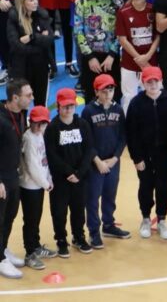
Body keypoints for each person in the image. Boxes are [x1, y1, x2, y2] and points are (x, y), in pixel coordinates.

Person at [125, 67, 167, 239]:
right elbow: (131, 133)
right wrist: (136, 158)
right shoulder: (136, 103)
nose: (153, 85)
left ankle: (162, 218)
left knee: (163, 185)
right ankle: (146, 218)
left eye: (156, 81)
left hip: (164, 152)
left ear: (161, 81)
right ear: (143, 83)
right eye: (149, 82)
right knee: (145, 185)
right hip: (144, 153)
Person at [45, 87, 95, 257]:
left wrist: (79, 173)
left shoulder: (82, 125)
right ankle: (61, 239)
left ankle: (79, 236)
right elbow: (52, 154)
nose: (68, 110)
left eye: (71, 106)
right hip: (61, 179)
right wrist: (68, 172)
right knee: (59, 211)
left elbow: (89, 150)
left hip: (80, 178)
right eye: (65, 106)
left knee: (79, 209)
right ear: (58, 106)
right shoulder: (52, 128)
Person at [80, 73, 128, 250]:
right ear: (96, 92)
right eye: (104, 91)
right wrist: (97, 161)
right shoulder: (88, 111)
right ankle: (94, 232)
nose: (108, 94)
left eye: (111, 90)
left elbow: (123, 136)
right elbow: (86, 140)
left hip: (112, 162)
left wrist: (115, 158)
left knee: (110, 194)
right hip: (95, 164)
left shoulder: (118, 110)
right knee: (93, 198)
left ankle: (108, 225)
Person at [0, 79, 33, 278]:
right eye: (28, 95)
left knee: (10, 215)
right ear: (15, 98)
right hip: (1, 177)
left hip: (13, 174)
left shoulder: (21, 113)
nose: (32, 98)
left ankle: (3, 249)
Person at [19, 104, 53, 271]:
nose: (39, 127)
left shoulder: (39, 135)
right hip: (29, 187)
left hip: (38, 185)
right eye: (36, 123)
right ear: (30, 121)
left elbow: (44, 160)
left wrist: (49, 178)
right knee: (30, 220)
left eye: (43, 124)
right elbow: (32, 167)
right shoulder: (29, 138)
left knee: (36, 217)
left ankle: (36, 245)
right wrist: (46, 183)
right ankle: (30, 253)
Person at [6, 0, 53, 106]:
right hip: (21, 68)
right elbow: (16, 45)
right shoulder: (13, 19)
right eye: (31, 0)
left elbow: (49, 39)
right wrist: (39, 40)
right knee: (21, 105)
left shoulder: (42, 16)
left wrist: (32, 37)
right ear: (22, 3)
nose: (35, 2)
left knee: (41, 103)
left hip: (41, 66)